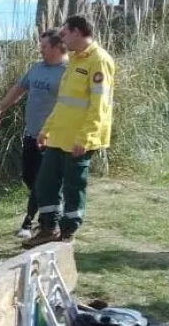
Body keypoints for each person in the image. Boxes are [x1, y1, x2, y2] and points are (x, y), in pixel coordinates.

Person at [23, 14, 115, 248]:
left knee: (74, 186)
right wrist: (46, 130)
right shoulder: (74, 60)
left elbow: (100, 106)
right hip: (59, 136)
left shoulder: (99, 60)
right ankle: (47, 228)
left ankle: (67, 232)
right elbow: (64, 102)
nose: (61, 39)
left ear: (77, 31)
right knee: (45, 183)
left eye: (64, 33)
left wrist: (86, 137)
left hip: (79, 139)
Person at [0, 29, 67, 239]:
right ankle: (50, 210)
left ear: (58, 47)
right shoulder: (37, 68)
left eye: (44, 46)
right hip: (31, 134)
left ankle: (33, 221)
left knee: (43, 180)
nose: (40, 50)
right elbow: (18, 89)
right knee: (28, 176)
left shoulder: (68, 71)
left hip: (51, 137)